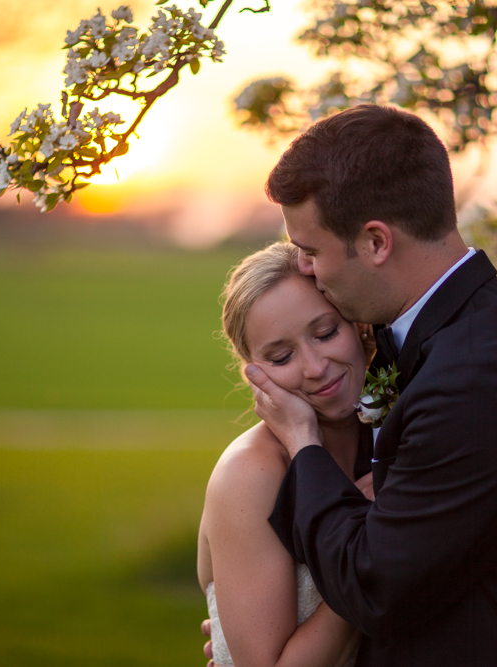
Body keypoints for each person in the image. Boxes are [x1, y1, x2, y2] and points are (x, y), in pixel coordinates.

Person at [232, 104, 497, 666]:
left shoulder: (475, 379)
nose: (306, 270)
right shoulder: (451, 334)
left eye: (310, 251)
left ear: (376, 243)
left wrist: (304, 444)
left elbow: (374, 587)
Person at [197, 241, 375, 667]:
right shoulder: (251, 474)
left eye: (326, 332)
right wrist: (371, 558)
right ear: (254, 372)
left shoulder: (403, 429)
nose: (315, 367)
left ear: (358, 326)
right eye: (281, 356)